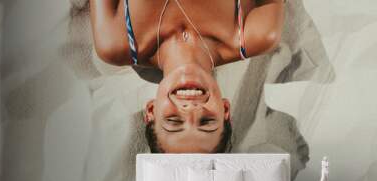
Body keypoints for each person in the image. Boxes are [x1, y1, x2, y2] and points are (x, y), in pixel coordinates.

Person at [89, 0, 285, 152]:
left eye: (173, 121)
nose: (191, 108)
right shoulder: (257, 33)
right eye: (206, 121)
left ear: (151, 111)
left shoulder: (116, 42)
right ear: (225, 109)